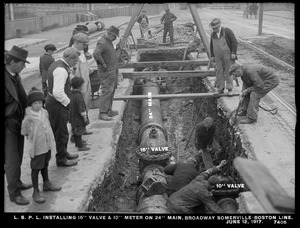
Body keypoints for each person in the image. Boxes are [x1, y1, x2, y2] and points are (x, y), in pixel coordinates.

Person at [21, 87, 62, 204]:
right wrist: (31, 135)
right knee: (36, 168)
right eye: (35, 103)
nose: (38, 105)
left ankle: (46, 183)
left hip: (47, 145)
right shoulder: (28, 117)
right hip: (37, 147)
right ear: (30, 104)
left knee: (45, 165)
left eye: (40, 102)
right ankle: (35, 191)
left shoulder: (44, 112)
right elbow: (24, 131)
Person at [5, 45, 33, 205]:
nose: (24, 66)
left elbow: (23, 98)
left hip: (18, 121)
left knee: (19, 154)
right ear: (13, 62)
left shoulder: (15, 76)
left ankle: (17, 182)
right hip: (8, 123)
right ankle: (14, 193)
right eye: (22, 63)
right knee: (12, 160)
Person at [46, 47, 80, 167]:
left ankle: (64, 153)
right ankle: (61, 159)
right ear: (70, 58)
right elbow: (58, 92)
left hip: (54, 102)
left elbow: (48, 82)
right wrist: (69, 104)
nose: (75, 63)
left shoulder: (56, 64)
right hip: (57, 105)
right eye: (75, 61)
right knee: (61, 133)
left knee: (62, 130)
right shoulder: (61, 70)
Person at [93, 25, 120, 121]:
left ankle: (109, 110)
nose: (115, 39)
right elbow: (96, 53)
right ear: (110, 34)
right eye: (114, 37)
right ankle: (102, 113)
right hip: (107, 72)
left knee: (111, 91)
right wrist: (102, 64)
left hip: (112, 71)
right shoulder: (102, 42)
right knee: (106, 91)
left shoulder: (108, 42)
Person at [209, 18, 238, 96]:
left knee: (229, 71)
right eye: (213, 28)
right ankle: (220, 89)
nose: (215, 29)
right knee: (219, 72)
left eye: (216, 28)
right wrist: (212, 56)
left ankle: (230, 89)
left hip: (227, 55)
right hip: (217, 56)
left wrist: (233, 52)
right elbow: (211, 45)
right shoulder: (213, 34)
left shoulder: (227, 31)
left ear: (219, 26)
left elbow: (234, 42)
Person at [69, 77, 91, 151]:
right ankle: (80, 146)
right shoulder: (78, 96)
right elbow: (81, 108)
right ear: (79, 86)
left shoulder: (72, 95)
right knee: (79, 131)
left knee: (75, 130)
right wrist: (84, 117)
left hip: (73, 117)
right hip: (78, 117)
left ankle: (77, 143)